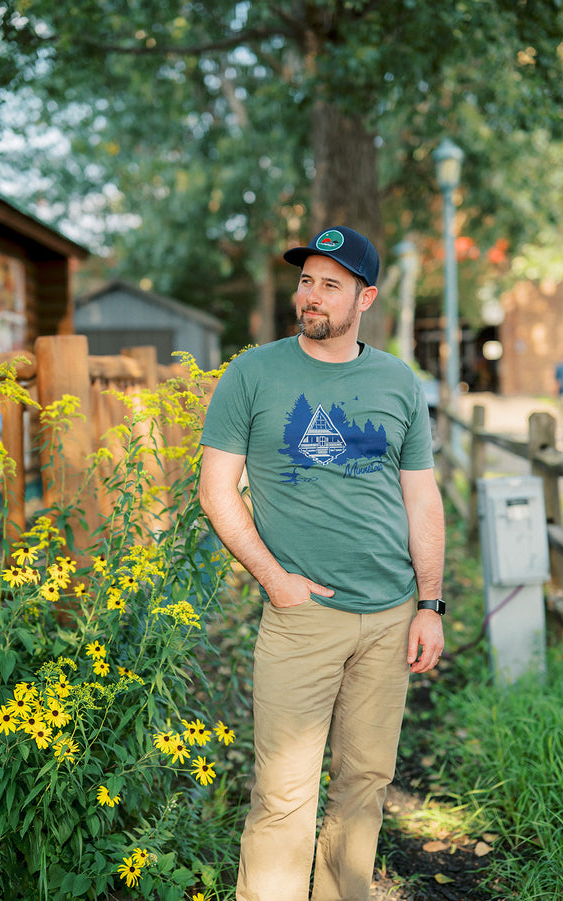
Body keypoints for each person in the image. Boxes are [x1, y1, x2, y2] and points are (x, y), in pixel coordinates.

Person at [198, 225, 445, 901]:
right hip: (301, 619)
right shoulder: (253, 373)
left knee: (365, 785)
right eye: (306, 280)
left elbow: (422, 496)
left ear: (364, 297)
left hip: (392, 616)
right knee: (282, 796)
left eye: (330, 284)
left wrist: (430, 603)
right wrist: (275, 580)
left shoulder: (397, 380)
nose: (311, 295)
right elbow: (217, 490)